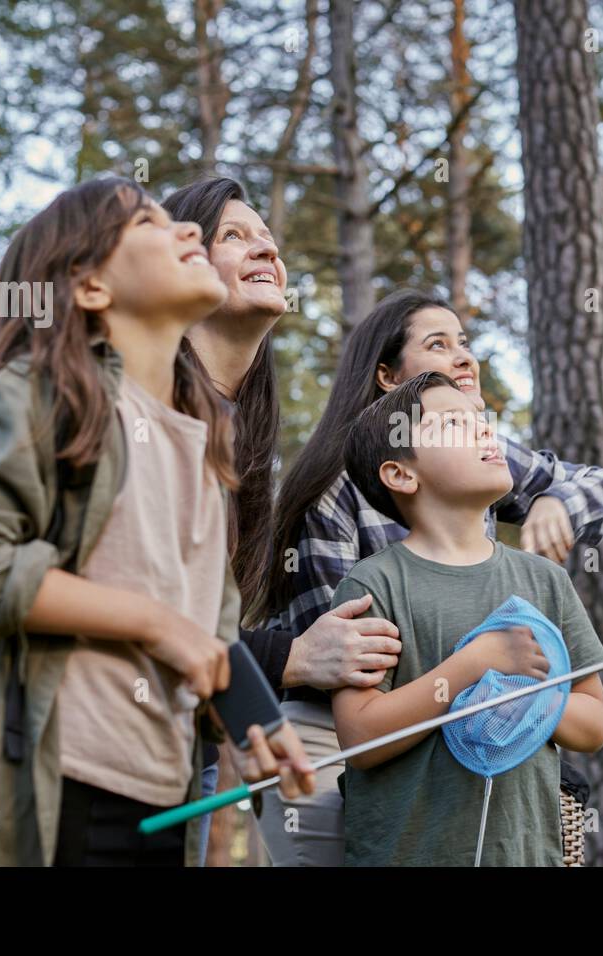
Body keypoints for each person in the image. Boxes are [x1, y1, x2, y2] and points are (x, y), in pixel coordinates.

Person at [0, 177, 314, 866]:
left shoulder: (203, 437)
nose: (189, 231)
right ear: (93, 288)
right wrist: (152, 622)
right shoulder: (46, 396)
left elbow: (212, 623)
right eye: (154, 226)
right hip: (57, 788)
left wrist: (255, 718)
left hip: (164, 801)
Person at [259, 288, 603, 865]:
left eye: (465, 342)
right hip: (335, 754)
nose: (466, 358)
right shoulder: (340, 512)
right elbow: (346, 684)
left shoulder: (482, 468)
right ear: (388, 378)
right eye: (439, 345)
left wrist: (557, 502)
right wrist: (477, 669)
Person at [161, 176, 402, 864]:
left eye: (266, 236)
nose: (265, 247)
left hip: (184, 754)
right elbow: (144, 608)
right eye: (233, 235)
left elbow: (209, 623)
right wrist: (291, 658)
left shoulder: (243, 439)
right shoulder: (143, 410)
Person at [330, 371, 603, 865]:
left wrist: (528, 699)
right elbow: (362, 740)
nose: (486, 430)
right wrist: (474, 666)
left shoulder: (546, 580)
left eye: (481, 419)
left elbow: (593, 726)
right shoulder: (372, 585)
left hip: (525, 852)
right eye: (455, 423)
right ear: (401, 474)